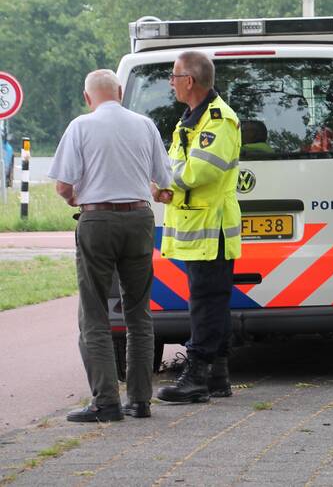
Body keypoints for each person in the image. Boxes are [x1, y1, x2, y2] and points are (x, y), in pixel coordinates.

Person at [48, 69, 172, 422]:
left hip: (97, 221)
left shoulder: (81, 127)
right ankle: (140, 401)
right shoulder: (145, 125)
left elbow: (62, 185)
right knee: (139, 313)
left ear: (88, 98)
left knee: (95, 313)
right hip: (139, 220)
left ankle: (106, 402)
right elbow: (163, 180)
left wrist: (75, 198)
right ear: (120, 91)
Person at [156, 51, 241, 403]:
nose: (171, 84)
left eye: (174, 77)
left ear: (189, 81)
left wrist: (162, 182)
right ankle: (217, 376)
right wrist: (165, 185)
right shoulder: (190, 119)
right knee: (211, 302)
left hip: (211, 229)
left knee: (205, 303)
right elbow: (179, 165)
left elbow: (199, 171)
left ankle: (195, 376)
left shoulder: (218, 121)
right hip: (198, 227)